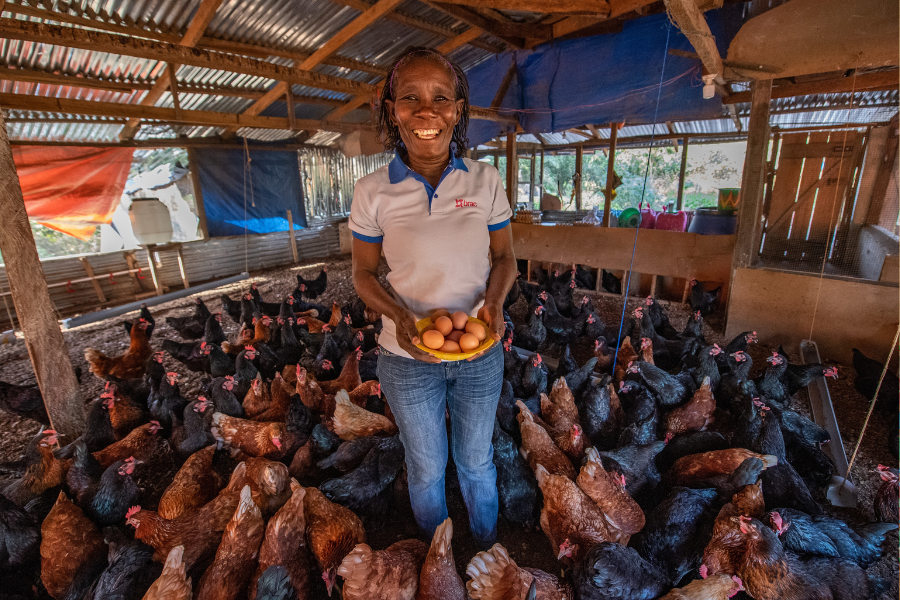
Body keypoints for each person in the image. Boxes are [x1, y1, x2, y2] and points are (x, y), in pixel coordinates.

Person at [349, 46, 516, 549]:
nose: (427, 111)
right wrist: (400, 316)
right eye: (410, 98)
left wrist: (495, 303)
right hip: (406, 358)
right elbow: (362, 272)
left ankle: (487, 550)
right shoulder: (373, 190)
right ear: (391, 108)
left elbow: (506, 258)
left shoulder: (484, 179)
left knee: (475, 460)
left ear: (458, 110)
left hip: (479, 351)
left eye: (441, 98)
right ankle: (437, 557)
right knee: (424, 466)